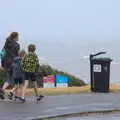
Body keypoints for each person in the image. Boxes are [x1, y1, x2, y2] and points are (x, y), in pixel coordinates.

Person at [0, 32, 20, 99]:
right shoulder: (17, 45)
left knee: (9, 78)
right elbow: (18, 55)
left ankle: (3, 90)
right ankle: (12, 93)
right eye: (18, 36)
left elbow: (2, 53)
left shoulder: (6, 43)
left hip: (6, 63)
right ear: (15, 37)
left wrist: (2, 63)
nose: (18, 38)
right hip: (14, 63)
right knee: (16, 79)